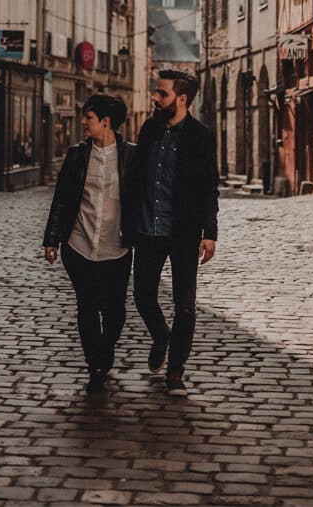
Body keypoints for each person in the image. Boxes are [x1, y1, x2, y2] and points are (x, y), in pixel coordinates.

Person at [128, 69, 219, 397]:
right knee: (142, 295)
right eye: (156, 91)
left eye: (161, 93)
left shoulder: (200, 137)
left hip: (182, 231)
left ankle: (176, 369)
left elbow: (210, 187)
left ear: (182, 99)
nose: (155, 97)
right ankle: (160, 335)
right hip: (148, 229)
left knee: (185, 305)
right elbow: (137, 177)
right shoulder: (150, 129)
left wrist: (210, 232)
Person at [43, 93, 135, 395]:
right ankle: (94, 363)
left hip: (116, 247)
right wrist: (52, 239)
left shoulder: (132, 156)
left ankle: (105, 351)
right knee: (86, 305)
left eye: (89, 118)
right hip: (79, 243)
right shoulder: (77, 155)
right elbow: (62, 199)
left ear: (105, 122)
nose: (83, 122)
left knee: (115, 310)